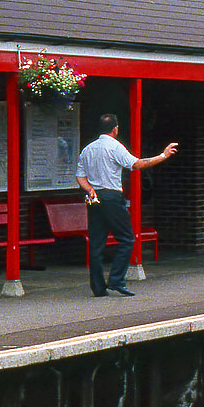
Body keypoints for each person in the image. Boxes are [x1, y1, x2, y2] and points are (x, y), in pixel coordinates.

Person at [75, 114, 178, 297]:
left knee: (96, 243)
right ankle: (116, 280)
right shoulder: (115, 147)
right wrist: (163, 155)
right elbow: (137, 164)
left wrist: (90, 190)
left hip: (93, 197)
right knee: (127, 238)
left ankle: (98, 287)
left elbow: (80, 176)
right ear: (115, 128)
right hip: (112, 197)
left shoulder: (87, 149)